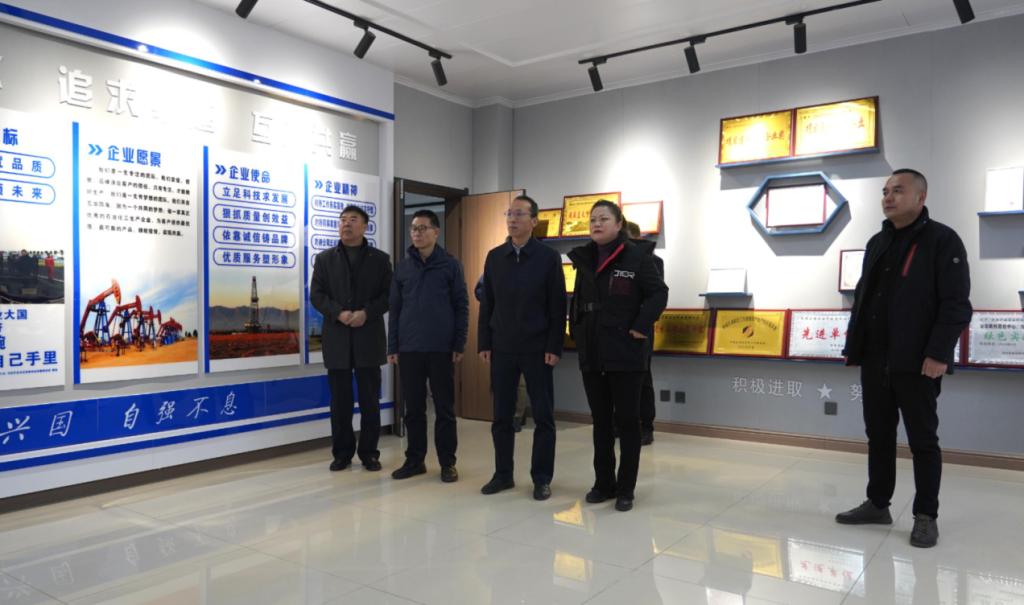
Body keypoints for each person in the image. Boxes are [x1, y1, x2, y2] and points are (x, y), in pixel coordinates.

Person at [836, 168, 972, 548]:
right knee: (878, 436)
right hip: (876, 360)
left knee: (922, 441)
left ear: (920, 197)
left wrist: (938, 353)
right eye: (885, 191)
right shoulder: (877, 242)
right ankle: (878, 503)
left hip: (918, 363)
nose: (888, 197)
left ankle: (926, 515)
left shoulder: (943, 240)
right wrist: (855, 348)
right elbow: (864, 299)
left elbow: (956, 304)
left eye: (897, 190)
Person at [569, 201, 668, 511]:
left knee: (627, 422)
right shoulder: (584, 258)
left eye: (603, 219)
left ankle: (626, 488)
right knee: (600, 422)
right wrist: (576, 331)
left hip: (626, 350)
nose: (596, 224)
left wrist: (641, 326)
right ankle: (603, 484)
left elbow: (658, 293)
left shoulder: (637, 256)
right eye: (592, 220)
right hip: (593, 351)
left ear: (618, 223)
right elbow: (579, 301)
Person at [478, 194, 566, 500]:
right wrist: (484, 341)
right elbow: (487, 303)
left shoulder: (548, 257)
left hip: (538, 347)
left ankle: (541, 478)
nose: (512, 219)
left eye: (519, 214)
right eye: (509, 214)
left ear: (534, 220)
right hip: (502, 346)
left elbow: (558, 306)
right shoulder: (494, 257)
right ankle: (503, 474)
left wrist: (554, 345)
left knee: (543, 416)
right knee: (502, 416)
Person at [387, 209, 468, 483]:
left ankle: (447, 463)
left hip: (441, 347)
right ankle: (415, 460)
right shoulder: (403, 267)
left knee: (444, 408)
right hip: (409, 348)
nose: (417, 233)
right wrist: (393, 346)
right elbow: (395, 309)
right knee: (413, 409)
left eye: (423, 228)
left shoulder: (450, 265)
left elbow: (461, 305)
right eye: (414, 228)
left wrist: (459, 342)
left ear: (436, 232)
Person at [310, 205, 393, 473]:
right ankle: (342, 453)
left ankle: (369, 453)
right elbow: (317, 295)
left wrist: (366, 313)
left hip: (368, 338)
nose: (346, 224)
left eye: (353, 220)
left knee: (370, 401)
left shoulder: (380, 260)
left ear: (365, 226)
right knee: (340, 403)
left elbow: (389, 295)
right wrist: (339, 313)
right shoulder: (325, 259)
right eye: (343, 220)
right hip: (337, 339)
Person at [625, 220, 664, 446]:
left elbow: (654, 298)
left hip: (641, 330)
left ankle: (646, 426)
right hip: (617, 331)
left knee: (643, 379)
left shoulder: (653, 261)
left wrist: (640, 326)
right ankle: (622, 424)